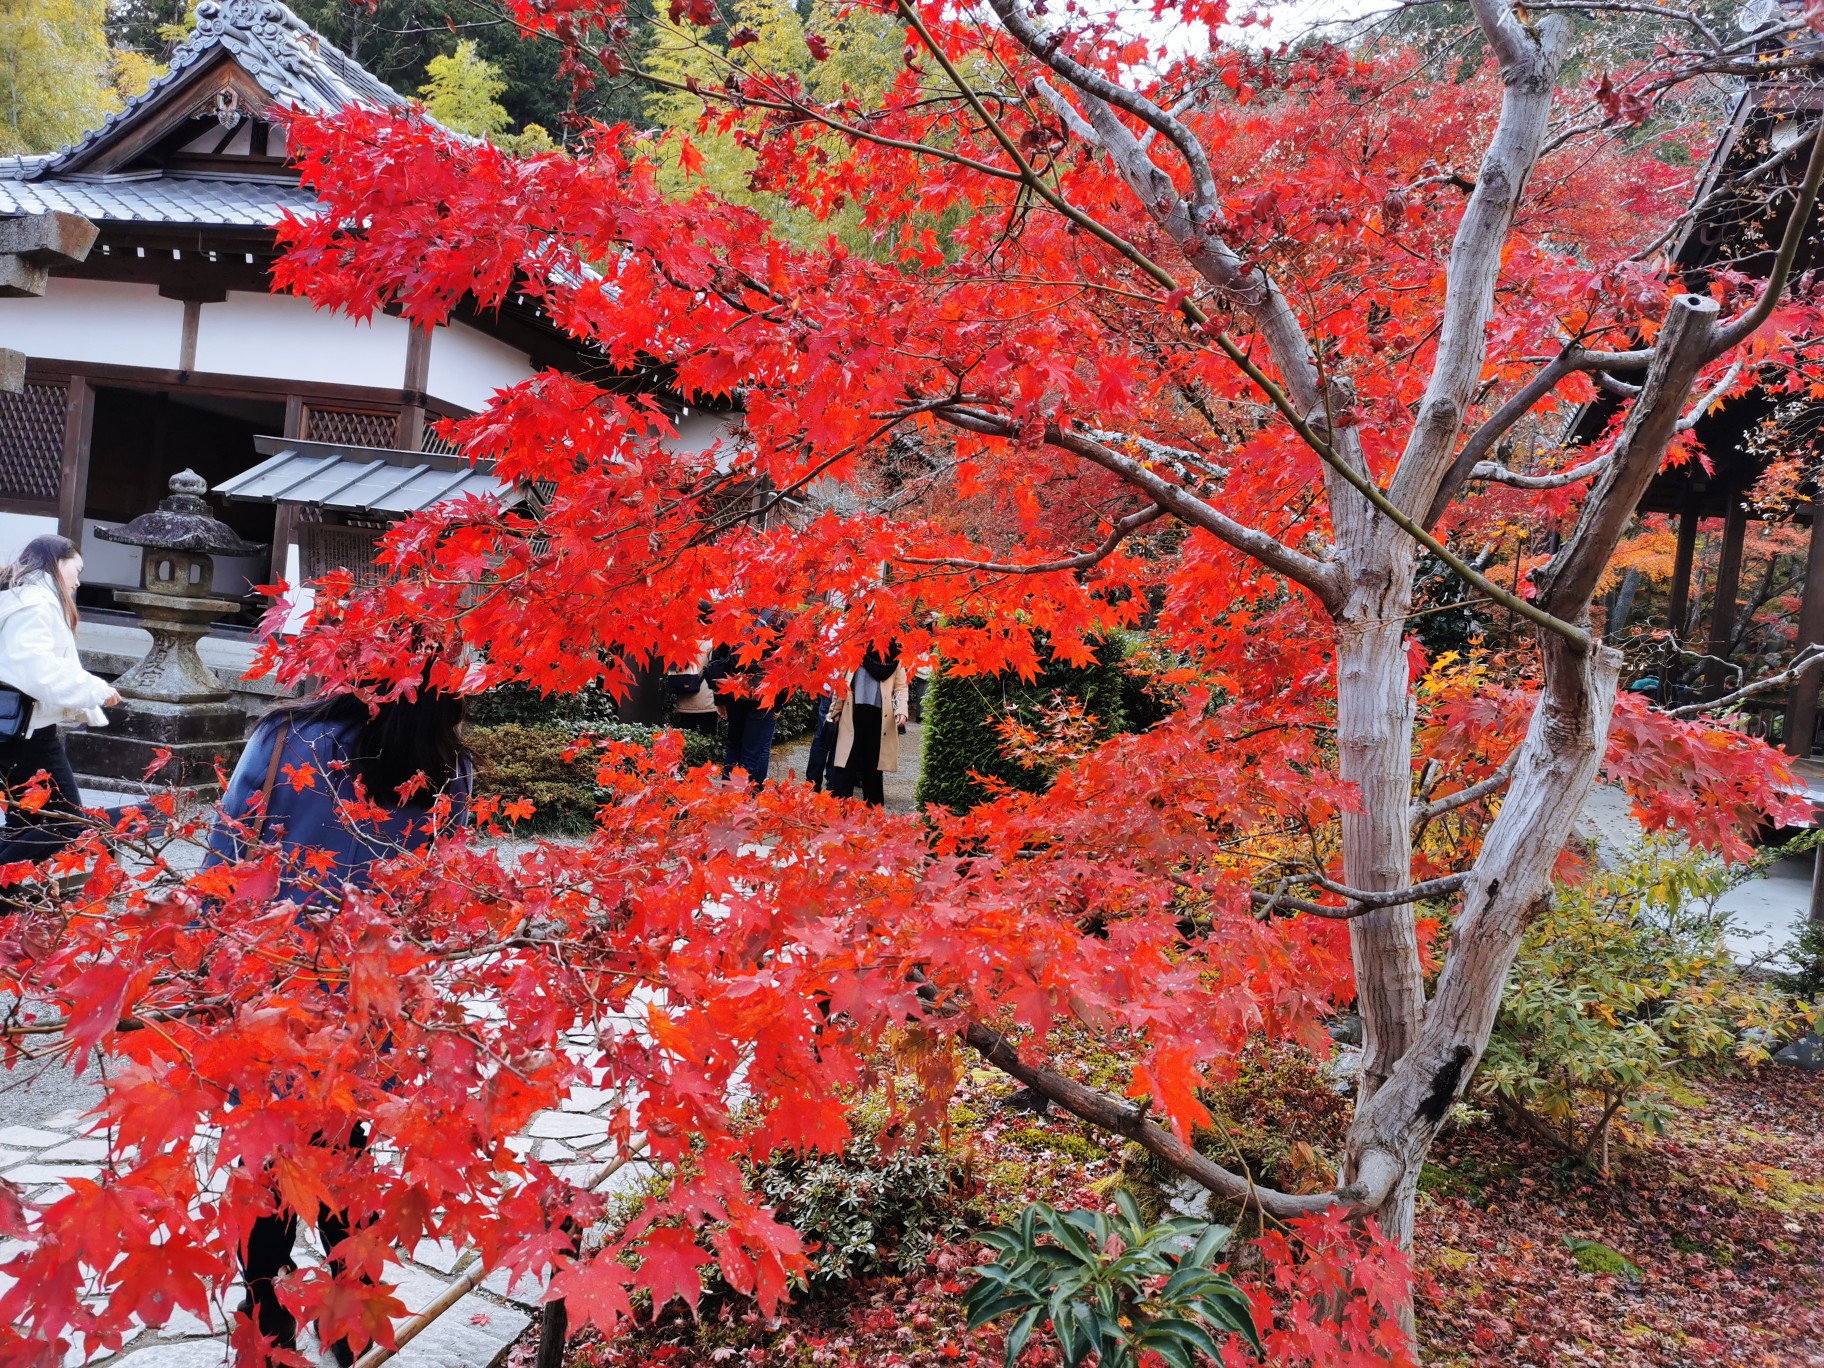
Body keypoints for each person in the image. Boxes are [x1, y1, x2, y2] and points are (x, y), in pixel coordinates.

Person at [205, 683, 470, 1365]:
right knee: (346, 1151)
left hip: (273, 990)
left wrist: (203, 970)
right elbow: (440, 903)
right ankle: (349, 1312)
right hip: (370, 1003)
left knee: (266, 1159)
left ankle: (265, 1318)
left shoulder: (284, 739)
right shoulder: (444, 766)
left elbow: (223, 862)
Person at [0, 535, 119, 869]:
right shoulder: (36, 603)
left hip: (17, 727)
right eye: (76, 569)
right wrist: (95, 689)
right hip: (28, 732)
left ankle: (12, 906)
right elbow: (37, 670)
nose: (79, 580)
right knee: (68, 822)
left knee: (25, 823)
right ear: (57, 562)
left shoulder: (22, 597)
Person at [829, 646, 910, 807]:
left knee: (873, 770)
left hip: (880, 719)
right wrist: (833, 712)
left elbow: (901, 687)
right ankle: (838, 814)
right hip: (852, 715)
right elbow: (842, 684)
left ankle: (873, 818)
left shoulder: (894, 656)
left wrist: (901, 711)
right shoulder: (856, 649)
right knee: (845, 767)